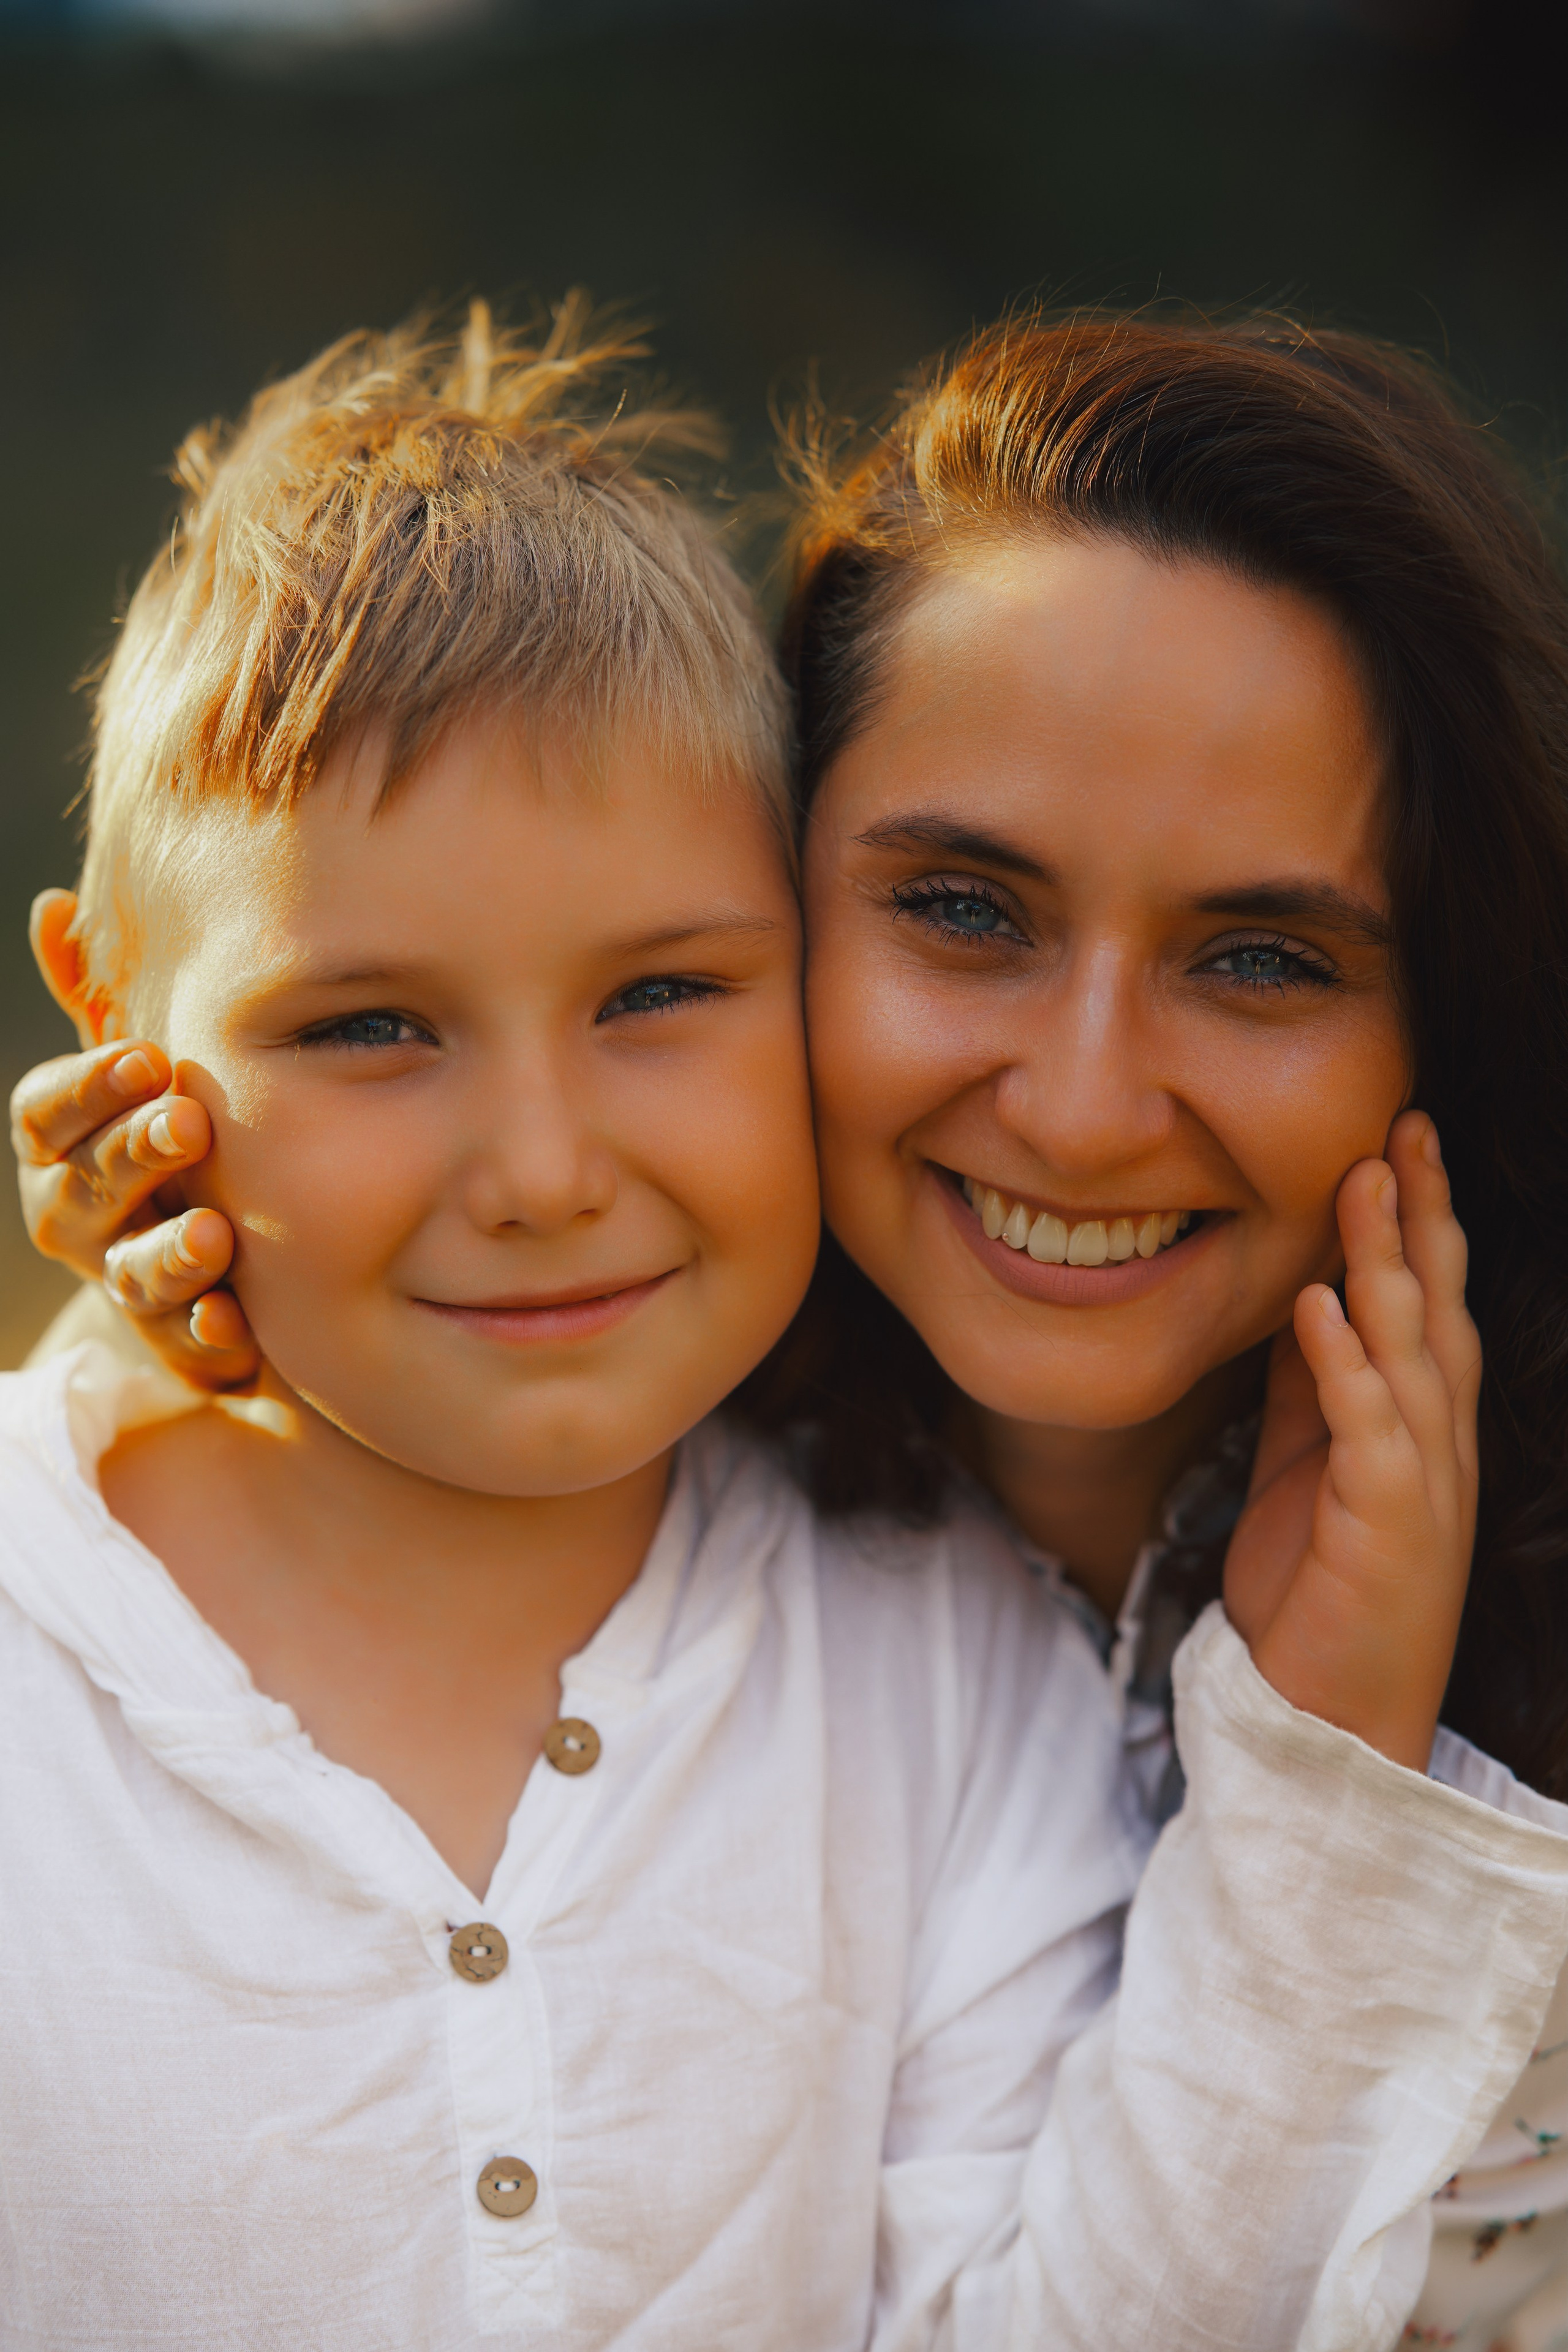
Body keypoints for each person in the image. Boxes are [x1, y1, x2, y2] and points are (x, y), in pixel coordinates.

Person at [10, 302, 1568, 2352]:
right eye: (963, 908)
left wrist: (1336, 1772)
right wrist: (230, 1261)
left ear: (1444, 1008)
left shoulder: (931, 1688)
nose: (1085, 1105)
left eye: (1264, 954)